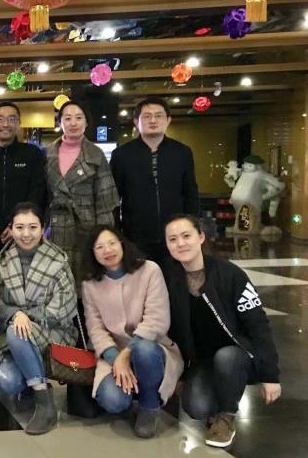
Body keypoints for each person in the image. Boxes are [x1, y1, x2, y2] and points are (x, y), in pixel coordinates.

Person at [163, 214, 281, 448]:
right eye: (173, 239)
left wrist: (270, 375)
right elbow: (173, 333)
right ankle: (220, 395)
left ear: (201, 237)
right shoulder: (170, 280)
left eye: (186, 236)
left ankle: (227, 416)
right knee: (196, 407)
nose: (180, 243)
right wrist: (180, 374)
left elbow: (258, 325)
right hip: (202, 361)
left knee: (226, 357)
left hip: (237, 354)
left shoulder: (230, 275)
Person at [81, 226, 183, 438]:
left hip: (152, 346)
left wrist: (125, 356)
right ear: (93, 253)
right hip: (113, 352)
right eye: (99, 247)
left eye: (112, 243)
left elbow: (157, 320)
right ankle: (135, 390)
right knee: (113, 401)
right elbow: (95, 328)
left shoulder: (149, 270)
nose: (107, 250)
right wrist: (115, 357)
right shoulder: (90, 284)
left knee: (143, 350)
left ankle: (149, 404)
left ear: (122, 243)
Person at [0, 202, 77, 435]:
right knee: (8, 381)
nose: (26, 234)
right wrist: (14, 315)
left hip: (53, 333)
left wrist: (24, 318)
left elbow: (64, 308)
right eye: (19, 227)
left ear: (43, 228)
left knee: (17, 330)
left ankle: (45, 405)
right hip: (12, 337)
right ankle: (31, 380)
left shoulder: (58, 261)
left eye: (33, 227)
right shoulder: (1, 262)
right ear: (10, 229)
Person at [110, 97, 199, 266]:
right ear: (136, 122)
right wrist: (116, 232)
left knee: (175, 277)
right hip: (135, 235)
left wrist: (193, 226)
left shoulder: (182, 152)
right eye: (147, 116)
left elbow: (191, 192)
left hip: (176, 235)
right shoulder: (122, 155)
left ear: (168, 120)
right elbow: (114, 198)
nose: (153, 120)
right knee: (139, 278)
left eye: (158, 116)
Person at [45, 101, 119, 290]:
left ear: (86, 122)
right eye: (67, 118)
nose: (73, 123)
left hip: (86, 228)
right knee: (55, 283)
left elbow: (105, 200)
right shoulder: (47, 153)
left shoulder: (96, 154)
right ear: (60, 122)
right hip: (53, 229)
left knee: (86, 283)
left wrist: (103, 236)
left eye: (79, 118)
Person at [0, 102, 48, 264]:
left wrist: (16, 226)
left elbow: (37, 192)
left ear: (19, 124)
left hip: (25, 233)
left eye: (12, 119)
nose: (5, 124)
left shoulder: (33, 154)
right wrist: (1, 227)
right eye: (0, 119)